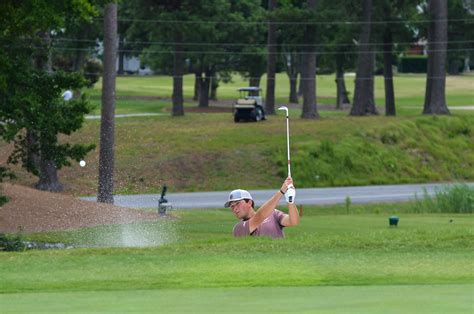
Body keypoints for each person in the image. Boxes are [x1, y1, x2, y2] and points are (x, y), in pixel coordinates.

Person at [225, 177, 299, 238]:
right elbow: (260, 216)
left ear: (249, 203)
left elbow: (293, 222)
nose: (235, 208)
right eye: (232, 206)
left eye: (238, 203)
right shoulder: (238, 229)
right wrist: (281, 192)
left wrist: (290, 201)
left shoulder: (273, 214)